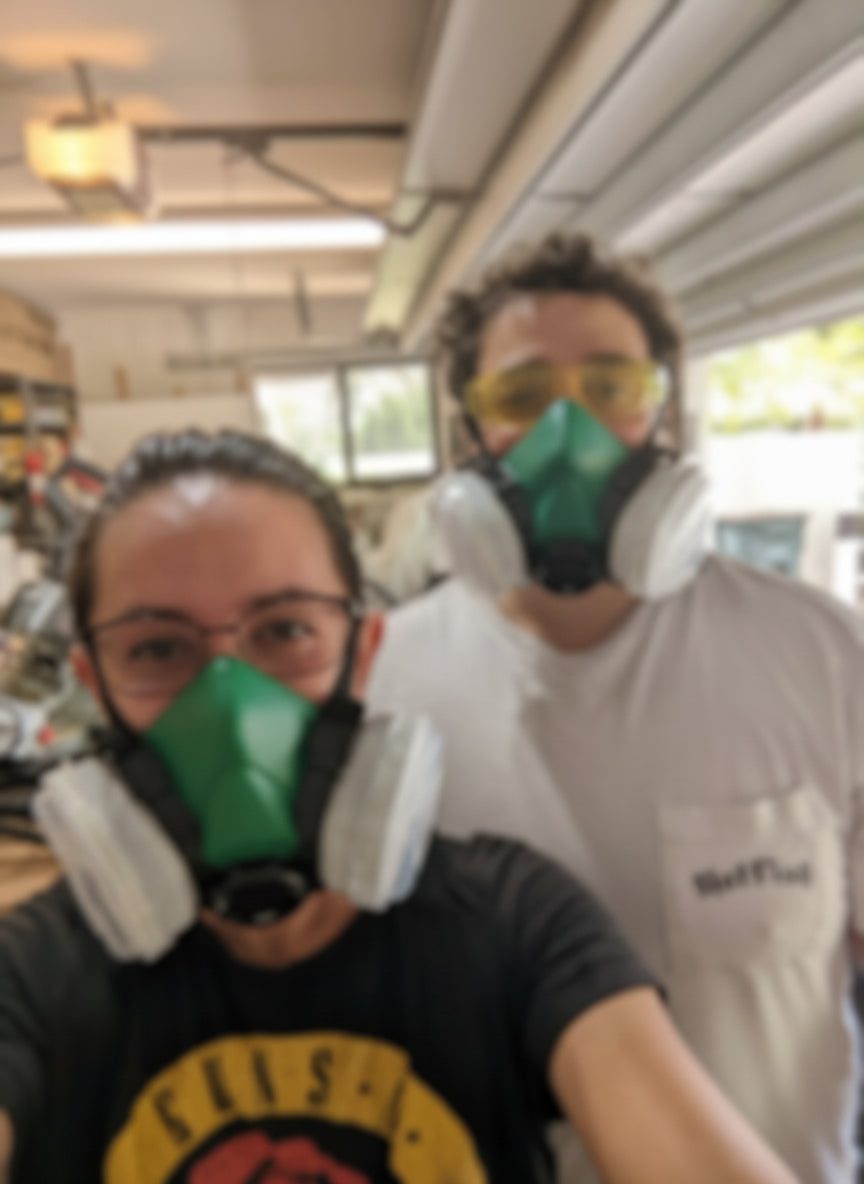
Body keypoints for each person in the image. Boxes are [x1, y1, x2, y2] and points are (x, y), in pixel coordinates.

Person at [0, 429, 802, 1184]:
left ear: (364, 653)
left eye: (284, 630)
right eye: (158, 649)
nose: (231, 706)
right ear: (93, 682)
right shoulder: (31, 978)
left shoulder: (515, 927)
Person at [366, 234, 864, 1184]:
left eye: (611, 388)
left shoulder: (828, 660)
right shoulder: (386, 681)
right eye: (522, 397)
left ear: (661, 411)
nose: (570, 431)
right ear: (469, 431)